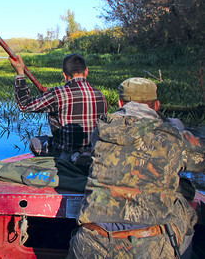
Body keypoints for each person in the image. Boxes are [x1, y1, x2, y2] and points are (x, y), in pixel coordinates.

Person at [67, 77, 205, 258]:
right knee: (183, 206)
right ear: (156, 106)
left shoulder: (101, 131)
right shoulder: (173, 137)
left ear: (119, 103)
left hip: (89, 243)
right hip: (149, 247)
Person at [8, 53, 107, 160]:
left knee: (35, 142)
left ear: (65, 75)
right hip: (93, 150)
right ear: (86, 71)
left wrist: (20, 73)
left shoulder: (57, 94)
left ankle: (70, 158)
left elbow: (24, 105)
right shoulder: (100, 94)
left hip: (65, 154)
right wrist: (49, 93)